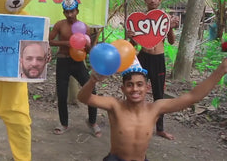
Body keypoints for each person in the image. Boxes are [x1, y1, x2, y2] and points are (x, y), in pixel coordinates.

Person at [77, 57, 227, 161]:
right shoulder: (114, 105)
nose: (135, 89)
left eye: (139, 84)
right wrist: (93, 80)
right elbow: (83, 98)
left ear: (147, 87)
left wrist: (220, 70)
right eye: (130, 85)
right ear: (123, 89)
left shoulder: (155, 108)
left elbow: (192, 97)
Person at [127, 0, 179, 140]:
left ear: (159, 0)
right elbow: (133, 45)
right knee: (136, 91)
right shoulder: (139, 20)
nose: (152, 1)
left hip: (158, 59)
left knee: (158, 94)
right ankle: (134, 123)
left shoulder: (165, 19)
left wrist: (170, 27)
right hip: (143, 58)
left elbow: (171, 42)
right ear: (145, 0)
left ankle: (160, 128)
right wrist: (131, 36)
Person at [48, 0, 101, 136]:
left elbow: (89, 50)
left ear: (77, 11)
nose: (69, 14)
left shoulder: (84, 27)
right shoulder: (60, 25)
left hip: (78, 63)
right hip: (63, 61)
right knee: (62, 94)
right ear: (64, 12)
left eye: (72, 11)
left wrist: (87, 45)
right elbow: (50, 40)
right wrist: (67, 43)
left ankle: (92, 122)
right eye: (67, 12)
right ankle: (64, 123)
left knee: (92, 91)